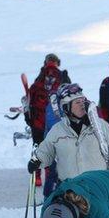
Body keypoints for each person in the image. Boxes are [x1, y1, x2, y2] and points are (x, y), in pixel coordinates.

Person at [28, 83, 109, 183]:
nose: (82, 104)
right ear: (66, 108)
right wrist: (37, 160)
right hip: (70, 189)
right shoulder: (57, 130)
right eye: (77, 102)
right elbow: (46, 151)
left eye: (83, 101)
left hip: (98, 186)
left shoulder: (100, 125)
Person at [28, 54, 69, 190]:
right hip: (54, 121)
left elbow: (31, 98)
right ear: (58, 62)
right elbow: (68, 97)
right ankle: (52, 177)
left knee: (38, 147)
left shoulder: (41, 76)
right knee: (55, 149)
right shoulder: (62, 76)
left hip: (38, 121)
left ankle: (37, 175)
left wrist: (29, 118)